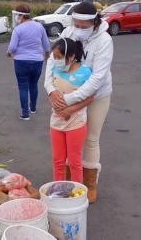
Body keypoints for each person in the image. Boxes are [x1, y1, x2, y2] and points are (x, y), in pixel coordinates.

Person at [44, 1, 113, 203]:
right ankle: (67, 180)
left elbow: (97, 78)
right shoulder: (68, 33)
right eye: (76, 25)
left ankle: (89, 184)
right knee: (66, 139)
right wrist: (50, 91)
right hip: (66, 94)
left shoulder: (105, 41)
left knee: (91, 138)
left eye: (84, 27)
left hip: (96, 96)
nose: (79, 30)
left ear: (94, 22)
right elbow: (52, 61)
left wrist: (68, 101)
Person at [49, 38, 94, 183]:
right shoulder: (55, 69)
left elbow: (90, 97)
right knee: (58, 161)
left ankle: (77, 195)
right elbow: (51, 91)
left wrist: (70, 110)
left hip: (76, 123)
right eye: (54, 57)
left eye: (59, 57)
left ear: (72, 57)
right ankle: (58, 191)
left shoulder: (85, 72)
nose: (55, 60)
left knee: (74, 162)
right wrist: (54, 103)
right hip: (56, 123)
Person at [7, 4, 50, 120]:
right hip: (37, 61)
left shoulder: (18, 29)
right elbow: (46, 44)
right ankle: (33, 108)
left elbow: (12, 47)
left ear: (20, 16)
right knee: (33, 84)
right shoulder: (39, 26)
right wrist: (47, 54)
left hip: (21, 61)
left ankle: (25, 114)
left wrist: (9, 53)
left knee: (23, 87)